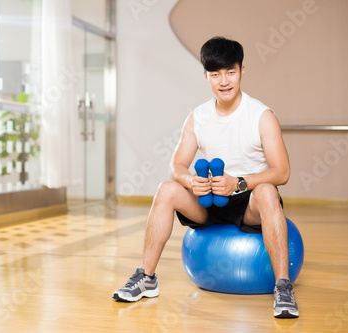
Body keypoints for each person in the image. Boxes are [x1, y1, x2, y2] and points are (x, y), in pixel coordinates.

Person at [112, 36, 298, 318]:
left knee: (269, 190)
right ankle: (146, 276)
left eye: (230, 72)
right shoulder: (198, 116)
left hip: (247, 202)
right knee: (166, 189)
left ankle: (283, 287)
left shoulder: (261, 116)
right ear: (206, 76)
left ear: (242, 71)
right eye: (215, 74)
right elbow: (177, 166)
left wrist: (240, 183)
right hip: (207, 199)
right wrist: (191, 182)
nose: (224, 82)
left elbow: (282, 171)